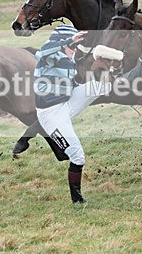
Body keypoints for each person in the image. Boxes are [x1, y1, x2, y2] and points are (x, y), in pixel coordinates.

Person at [34, 24, 111, 204]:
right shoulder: (48, 54)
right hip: (51, 113)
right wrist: (68, 41)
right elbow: (43, 52)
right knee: (78, 156)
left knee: (104, 86)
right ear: (62, 42)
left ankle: (137, 69)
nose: (75, 50)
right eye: (73, 46)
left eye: (76, 46)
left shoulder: (69, 59)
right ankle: (77, 200)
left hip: (66, 102)